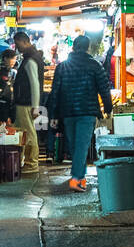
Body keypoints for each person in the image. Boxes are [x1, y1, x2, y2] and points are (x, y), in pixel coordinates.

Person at [47, 34, 112, 192]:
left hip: (68, 112)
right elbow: (104, 88)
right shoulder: (95, 65)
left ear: (73, 47)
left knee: (76, 146)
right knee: (81, 146)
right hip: (87, 112)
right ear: (88, 47)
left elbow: (55, 92)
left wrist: (54, 115)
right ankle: (76, 179)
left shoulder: (63, 67)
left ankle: (79, 177)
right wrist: (108, 109)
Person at [13, 30, 44, 174]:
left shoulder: (31, 59)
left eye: (18, 44)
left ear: (25, 42)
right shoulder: (31, 57)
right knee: (26, 132)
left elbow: (35, 84)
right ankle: (27, 162)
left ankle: (31, 163)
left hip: (26, 103)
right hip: (25, 102)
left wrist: (36, 106)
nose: (17, 48)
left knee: (28, 133)